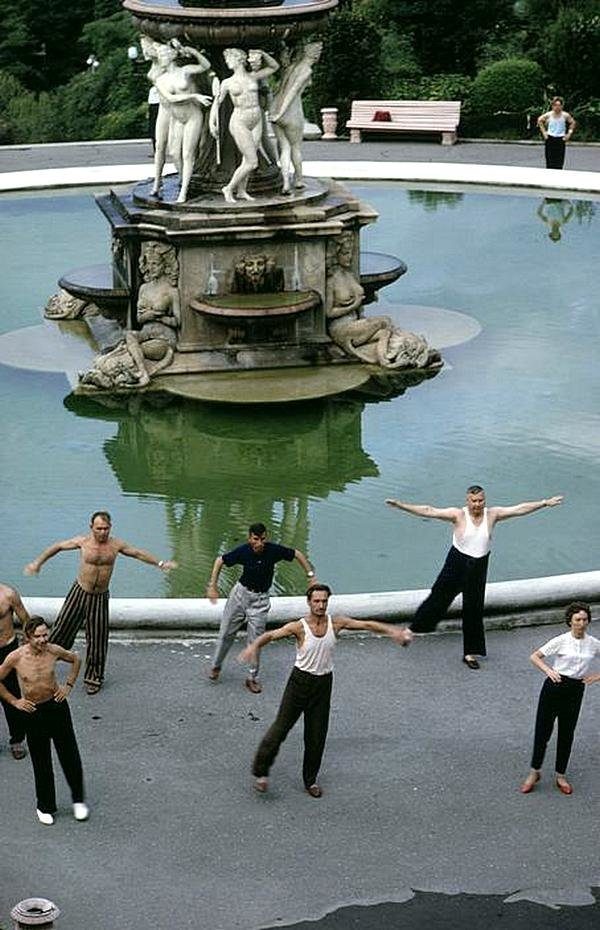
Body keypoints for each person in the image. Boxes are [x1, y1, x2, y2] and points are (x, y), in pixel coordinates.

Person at [240, 583, 412, 797]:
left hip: (323, 684)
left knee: (317, 736)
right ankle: (261, 772)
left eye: (324, 601)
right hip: (299, 683)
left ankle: (310, 780)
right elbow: (272, 635)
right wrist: (254, 646)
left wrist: (393, 631)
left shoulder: (336, 623)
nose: (320, 605)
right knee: (280, 729)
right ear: (309, 602)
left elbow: (366, 624)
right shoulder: (299, 627)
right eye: (316, 601)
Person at [385, 487, 564, 668]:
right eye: (474, 501)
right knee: (438, 598)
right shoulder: (458, 515)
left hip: (479, 566)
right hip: (457, 563)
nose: (477, 504)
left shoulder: (492, 515)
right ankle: (410, 631)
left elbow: (519, 509)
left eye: (480, 500)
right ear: (467, 501)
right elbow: (429, 510)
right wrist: (401, 505)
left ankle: (470, 653)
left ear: (484, 500)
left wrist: (544, 503)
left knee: (474, 609)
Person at [24, 511, 176, 694]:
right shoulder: (82, 542)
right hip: (79, 591)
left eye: (106, 528)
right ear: (91, 527)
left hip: (99, 596)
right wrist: (38, 563)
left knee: (98, 638)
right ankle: (39, 659)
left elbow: (137, 553)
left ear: (110, 527)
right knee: (62, 627)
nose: (102, 532)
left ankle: (93, 677)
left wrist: (160, 564)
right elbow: (57, 547)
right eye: (99, 529)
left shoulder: (116, 545)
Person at [207, 522, 315, 693]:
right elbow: (220, 561)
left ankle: (252, 677)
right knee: (226, 632)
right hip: (240, 595)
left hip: (260, 600)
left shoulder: (273, 551)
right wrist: (213, 586)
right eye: (256, 539)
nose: (260, 543)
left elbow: (297, 554)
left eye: (263, 539)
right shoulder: (243, 551)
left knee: (256, 640)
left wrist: (310, 576)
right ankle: (216, 665)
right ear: (250, 538)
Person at [0, 617, 87, 825]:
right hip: (33, 711)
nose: (43, 640)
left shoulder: (53, 650)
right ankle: (45, 806)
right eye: (38, 636)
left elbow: (75, 659)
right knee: (41, 761)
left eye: (45, 635)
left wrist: (68, 686)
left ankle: (78, 800)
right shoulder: (16, 657)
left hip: (56, 706)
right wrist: (15, 701)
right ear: (28, 637)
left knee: (70, 754)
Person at [520, 602, 600, 796]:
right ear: (570, 621)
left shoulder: (593, 643)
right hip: (554, 687)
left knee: (567, 732)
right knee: (543, 730)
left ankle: (560, 775)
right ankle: (534, 772)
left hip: (576, 689)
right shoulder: (561, 640)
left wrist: (597, 676)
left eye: (585, 619)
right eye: (577, 620)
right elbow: (535, 656)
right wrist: (548, 671)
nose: (581, 623)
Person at [209, 47, 279, 203]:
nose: (227, 62)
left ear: (239, 59)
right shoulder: (227, 82)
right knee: (252, 161)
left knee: (246, 159)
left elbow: (274, 67)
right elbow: (217, 102)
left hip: (257, 118)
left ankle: (241, 190)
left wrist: (263, 53)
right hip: (240, 120)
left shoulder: (253, 76)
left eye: (229, 58)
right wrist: (211, 121)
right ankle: (228, 188)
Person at [151, 39, 213, 204]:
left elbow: (205, 66)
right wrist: (194, 96)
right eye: (159, 55)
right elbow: (171, 98)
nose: (161, 57)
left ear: (172, 55)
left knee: (187, 154)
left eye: (164, 54)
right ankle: (184, 179)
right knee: (174, 153)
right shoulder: (160, 80)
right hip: (178, 118)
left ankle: (184, 191)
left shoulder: (185, 71)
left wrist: (192, 51)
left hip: (193, 116)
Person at [270, 42, 322, 194]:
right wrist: (282, 112)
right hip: (291, 112)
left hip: (275, 107)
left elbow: (279, 88)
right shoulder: (306, 70)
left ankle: (286, 182)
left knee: (284, 147)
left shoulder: (291, 67)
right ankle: (298, 180)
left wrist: (276, 111)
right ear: (314, 55)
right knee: (295, 148)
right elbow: (293, 91)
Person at [0, 582, 30, 759]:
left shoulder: (8, 594)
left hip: (6, 650)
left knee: (11, 696)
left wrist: (28, 646)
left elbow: (26, 620)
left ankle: (17, 740)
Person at [537, 97, 576, 169]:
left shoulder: (565, 115)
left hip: (560, 139)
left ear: (562, 106)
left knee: (559, 160)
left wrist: (569, 134)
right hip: (550, 138)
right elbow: (539, 120)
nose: (557, 107)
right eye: (555, 105)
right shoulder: (549, 115)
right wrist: (544, 132)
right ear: (552, 106)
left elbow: (572, 123)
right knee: (550, 160)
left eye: (559, 105)